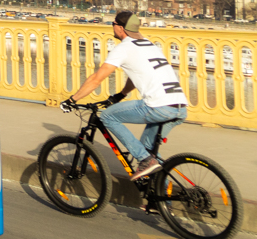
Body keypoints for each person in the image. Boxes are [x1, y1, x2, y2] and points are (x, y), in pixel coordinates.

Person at [66, 10, 186, 179]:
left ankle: (146, 160)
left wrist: (72, 100)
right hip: (179, 107)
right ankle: (161, 200)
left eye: (113, 24)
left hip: (158, 107)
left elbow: (96, 79)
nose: (112, 27)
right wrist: (120, 95)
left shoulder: (124, 48)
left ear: (120, 28)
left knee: (108, 117)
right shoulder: (148, 45)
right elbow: (135, 75)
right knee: (147, 150)